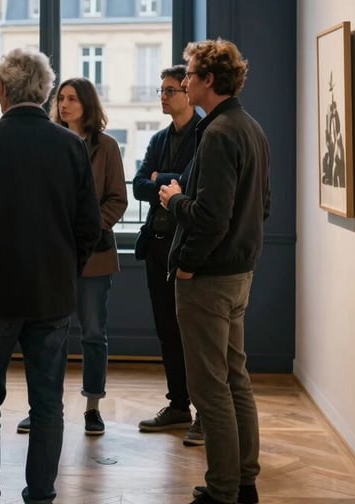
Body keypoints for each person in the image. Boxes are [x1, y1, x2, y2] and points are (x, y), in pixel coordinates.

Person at [0, 48, 101, 504]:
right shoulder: (71, 145)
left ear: (2, 91)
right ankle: (41, 494)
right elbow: (89, 225)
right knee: (48, 402)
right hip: (50, 296)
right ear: (45, 91)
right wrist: (65, 271)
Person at [159, 39, 270, 504]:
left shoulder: (221, 133)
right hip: (239, 272)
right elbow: (262, 207)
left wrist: (174, 201)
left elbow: (210, 218)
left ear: (208, 80)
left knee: (210, 388)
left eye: (189, 73)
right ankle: (243, 479)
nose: (183, 81)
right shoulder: (250, 127)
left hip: (208, 278)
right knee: (235, 376)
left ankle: (223, 489)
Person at [16, 77, 126, 437]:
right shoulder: (48, 142)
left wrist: (89, 229)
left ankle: (93, 407)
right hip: (53, 255)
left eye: (73, 99)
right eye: (60, 98)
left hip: (94, 255)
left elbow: (117, 200)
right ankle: (45, 408)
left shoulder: (107, 147)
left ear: (88, 105)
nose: (64, 105)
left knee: (93, 333)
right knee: (49, 336)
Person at [133, 66, 203, 445]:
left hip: (190, 244)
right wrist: (165, 179)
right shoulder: (159, 137)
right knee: (166, 328)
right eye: (160, 89)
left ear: (187, 92)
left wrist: (162, 178)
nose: (163, 96)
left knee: (193, 331)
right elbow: (139, 184)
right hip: (159, 242)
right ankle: (179, 405)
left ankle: (205, 413)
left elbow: (192, 185)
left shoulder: (205, 134)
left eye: (170, 90)